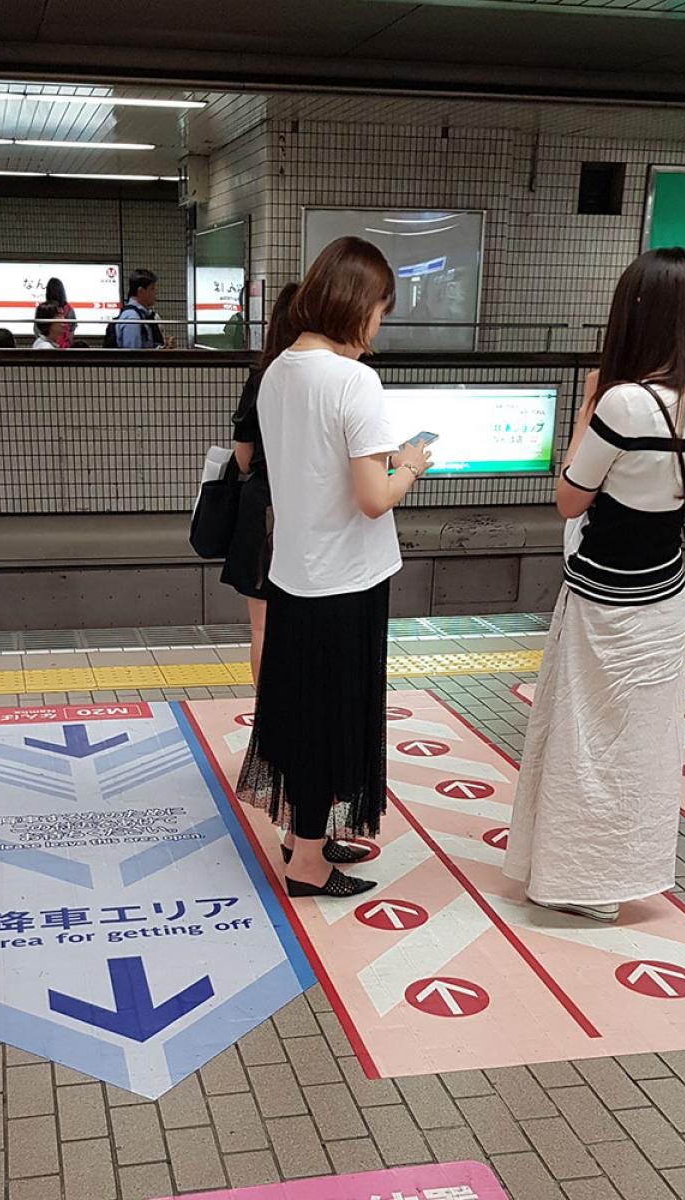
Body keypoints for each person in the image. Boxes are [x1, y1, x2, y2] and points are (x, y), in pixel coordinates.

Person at [503, 248, 685, 923]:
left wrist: (587, 409)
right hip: (665, 596)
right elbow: (681, 503)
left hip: (605, 599)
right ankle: (619, 872)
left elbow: (569, 500)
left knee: (582, 736)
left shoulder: (626, 403)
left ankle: (578, 880)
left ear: (634, 314)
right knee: (639, 742)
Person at [236, 237, 431, 898]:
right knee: (332, 718)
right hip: (347, 583)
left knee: (298, 712)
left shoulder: (279, 369)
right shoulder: (355, 381)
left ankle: (302, 834)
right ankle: (310, 864)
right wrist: (409, 464)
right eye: (381, 306)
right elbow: (373, 499)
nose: (380, 322)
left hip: (295, 575)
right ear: (358, 303)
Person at [220, 283, 299, 684]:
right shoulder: (334, 380)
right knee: (304, 626)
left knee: (262, 627)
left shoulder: (261, 378)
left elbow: (243, 458)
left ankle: (267, 719)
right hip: (307, 509)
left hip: (262, 506)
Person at [107, 269, 172, 349]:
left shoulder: (141, 315)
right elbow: (134, 355)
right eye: (152, 289)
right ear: (141, 291)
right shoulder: (132, 318)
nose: (155, 292)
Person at [44, 278, 77, 347]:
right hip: (65, 347)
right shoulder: (69, 309)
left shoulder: (44, 308)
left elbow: (37, 329)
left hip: (48, 343)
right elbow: (71, 331)